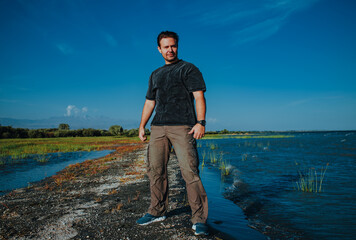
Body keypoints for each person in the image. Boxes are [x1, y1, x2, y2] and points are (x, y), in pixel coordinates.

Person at [136, 31, 209, 236]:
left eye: (173, 46)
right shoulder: (155, 74)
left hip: (183, 126)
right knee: (155, 170)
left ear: (177, 46)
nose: (170, 50)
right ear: (159, 49)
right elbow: (150, 102)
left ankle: (199, 219)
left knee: (190, 172)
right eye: (166, 47)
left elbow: (199, 97)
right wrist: (142, 125)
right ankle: (157, 211)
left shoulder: (188, 69)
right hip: (158, 127)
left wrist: (200, 122)